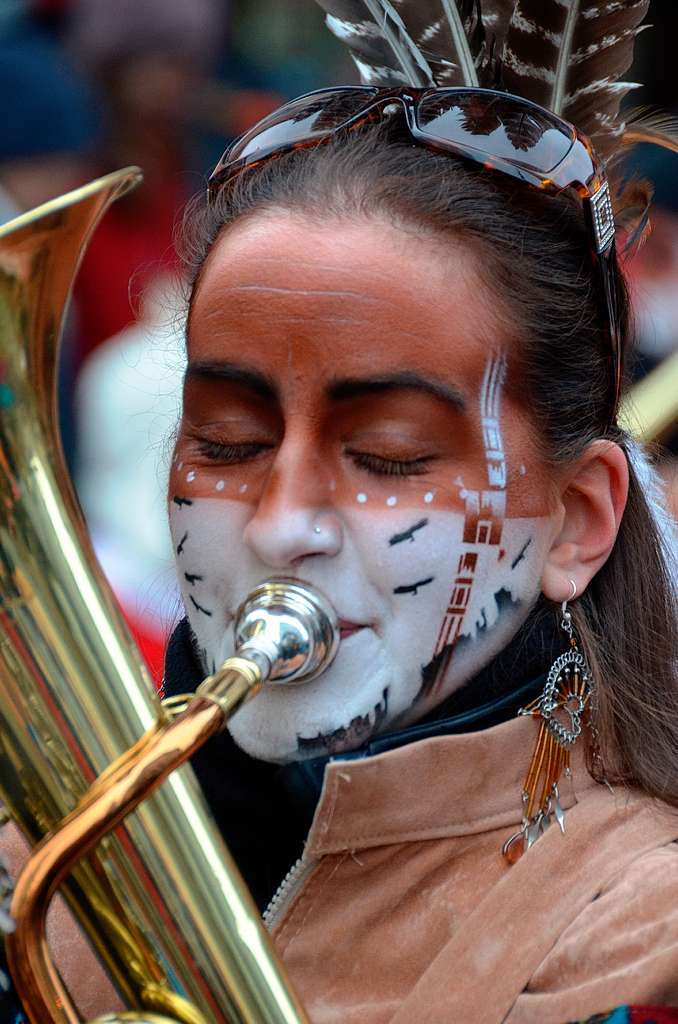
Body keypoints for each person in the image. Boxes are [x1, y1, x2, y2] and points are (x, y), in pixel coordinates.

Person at [3, 2, 678, 1023]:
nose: (279, 526)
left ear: (578, 522)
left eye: (388, 456)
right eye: (225, 442)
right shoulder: (34, 867)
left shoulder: (636, 938)